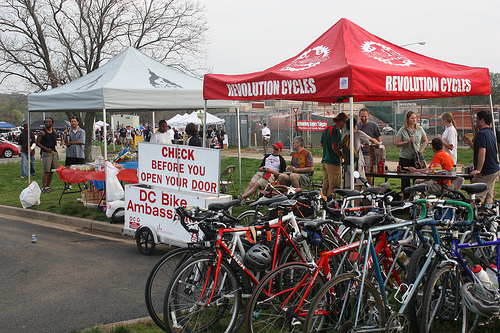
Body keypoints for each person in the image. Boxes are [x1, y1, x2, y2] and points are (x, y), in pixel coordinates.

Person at [463, 110, 500, 204]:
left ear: (482, 120)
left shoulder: (481, 134)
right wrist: (470, 144)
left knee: (475, 196)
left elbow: (482, 152)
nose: (475, 122)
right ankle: (487, 215)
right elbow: (481, 149)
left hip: (486, 171)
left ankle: (474, 216)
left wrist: (478, 169)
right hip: (494, 169)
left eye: (477, 119)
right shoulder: (491, 133)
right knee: (488, 194)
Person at [395, 111, 428, 198]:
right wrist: (406, 141)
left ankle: (415, 197)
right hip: (405, 157)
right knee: (405, 179)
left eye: (415, 118)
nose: (414, 120)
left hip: (416, 159)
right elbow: (397, 143)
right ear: (408, 120)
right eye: (412, 118)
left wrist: (420, 151)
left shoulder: (419, 129)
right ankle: (405, 197)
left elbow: (425, 141)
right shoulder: (402, 130)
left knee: (416, 178)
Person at [343, 118, 382, 190]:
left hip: (347, 164)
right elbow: (372, 140)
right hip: (357, 164)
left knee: (347, 187)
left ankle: (347, 201)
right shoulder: (358, 133)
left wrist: (361, 145)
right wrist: (380, 144)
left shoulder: (345, 136)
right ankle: (356, 201)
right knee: (358, 186)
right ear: (355, 126)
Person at [320, 112, 347, 196]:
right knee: (333, 184)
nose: (345, 126)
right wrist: (341, 155)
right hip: (333, 162)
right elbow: (334, 146)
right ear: (342, 121)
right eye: (345, 123)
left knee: (326, 184)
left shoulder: (326, 129)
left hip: (325, 160)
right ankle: (331, 204)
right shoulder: (336, 130)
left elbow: (321, 144)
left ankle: (323, 203)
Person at [357, 108, 381, 185]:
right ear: (359, 116)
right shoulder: (357, 126)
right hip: (359, 153)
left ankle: (371, 189)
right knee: (359, 173)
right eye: (362, 116)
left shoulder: (373, 125)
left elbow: (379, 140)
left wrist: (373, 145)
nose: (363, 118)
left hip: (369, 154)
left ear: (368, 116)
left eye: (365, 116)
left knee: (369, 173)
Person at [36, 117, 59, 194]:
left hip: (53, 152)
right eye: (46, 122)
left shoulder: (54, 131)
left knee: (52, 170)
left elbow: (55, 140)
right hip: (46, 153)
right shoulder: (42, 132)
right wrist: (45, 148)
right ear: (44, 123)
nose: (48, 123)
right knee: (46, 170)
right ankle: (43, 188)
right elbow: (37, 143)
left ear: (52, 123)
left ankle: (48, 186)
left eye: (49, 122)